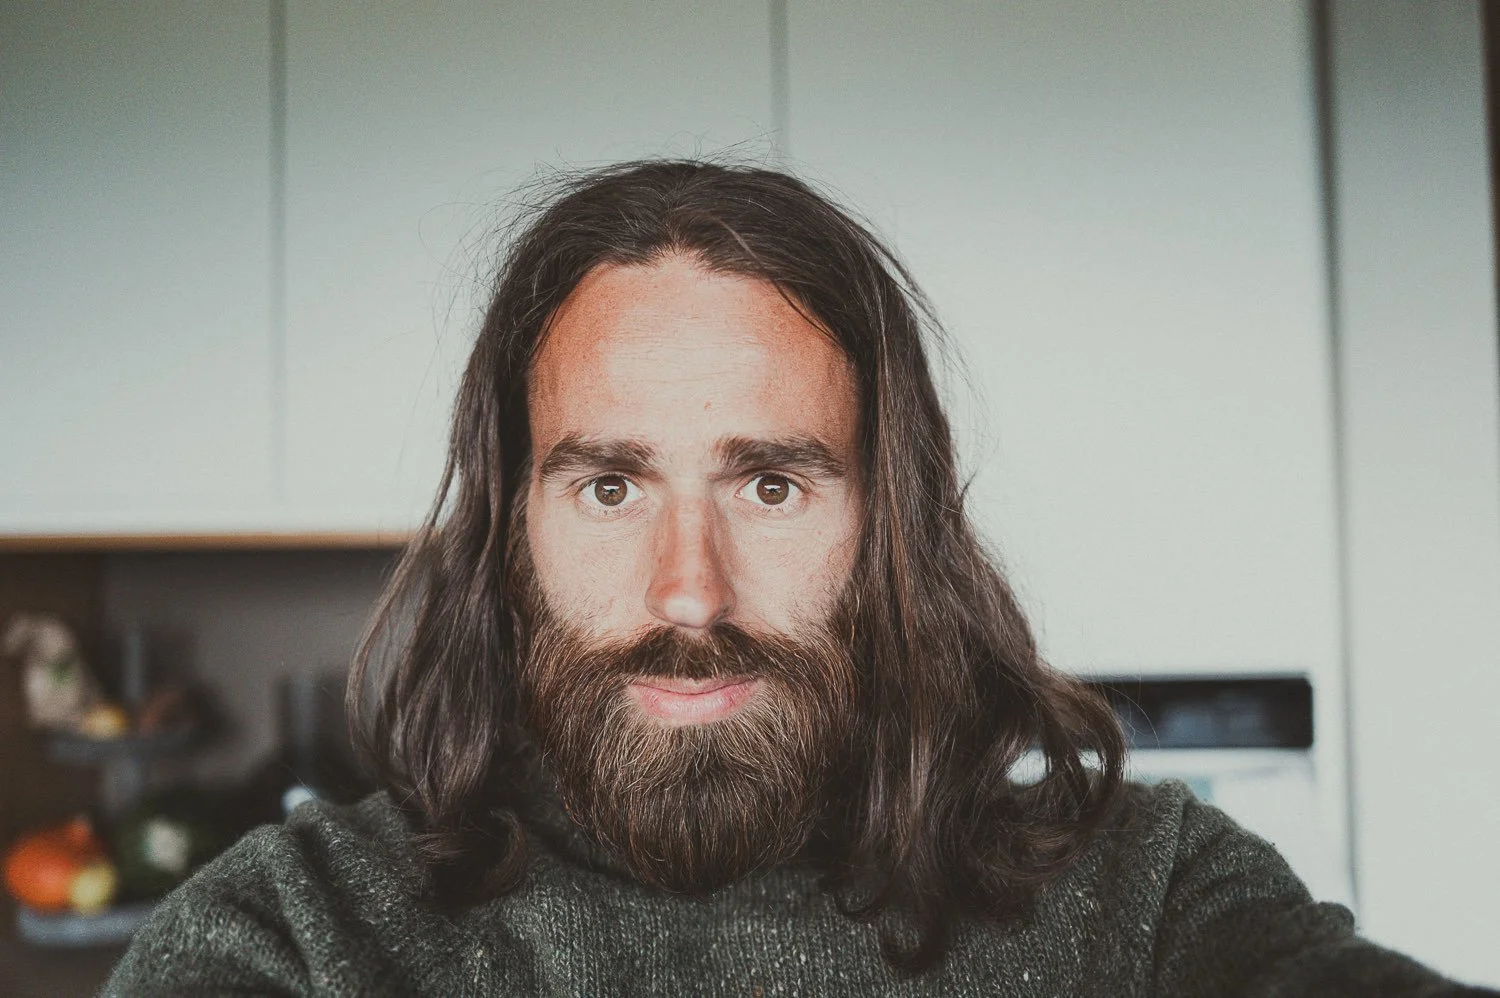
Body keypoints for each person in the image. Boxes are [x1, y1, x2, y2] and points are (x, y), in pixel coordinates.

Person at [104, 160, 1495, 996]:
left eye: (772, 484)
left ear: (890, 521)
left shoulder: (1145, 899)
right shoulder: (299, 932)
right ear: (509, 527)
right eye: (609, 485)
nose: (689, 594)